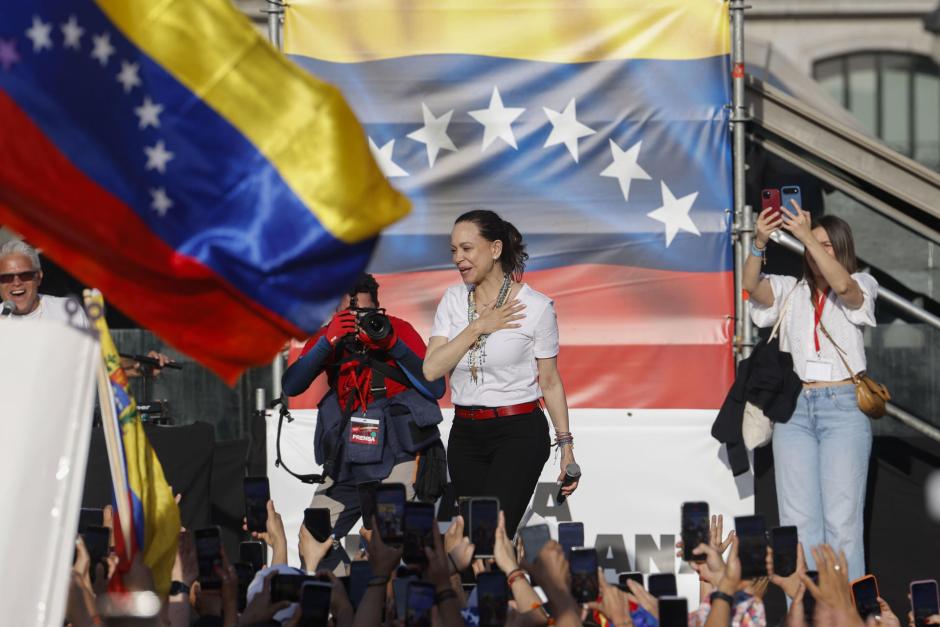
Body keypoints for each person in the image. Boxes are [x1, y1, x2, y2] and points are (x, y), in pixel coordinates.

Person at [423, 209, 579, 537]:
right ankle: (498, 582)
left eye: (467, 249)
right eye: (453, 250)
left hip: (518, 432)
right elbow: (432, 368)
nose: (458, 258)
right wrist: (479, 326)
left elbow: (549, 381)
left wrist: (565, 447)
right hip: (465, 434)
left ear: (495, 249)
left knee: (493, 533)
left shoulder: (536, 307)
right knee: (475, 541)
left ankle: (507, 581)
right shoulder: (452, 300)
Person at [744, 201, 878, 581]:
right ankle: (804, 616)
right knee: (798, 526)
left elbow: (845, 288)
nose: (815, 250)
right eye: (810, 244)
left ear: (841, 248)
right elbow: (751, 287)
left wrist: (804, 234)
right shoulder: (792, 289)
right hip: (796, 408)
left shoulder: (864, 282)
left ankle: (847, 616)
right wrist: (758, 242)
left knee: (842, 525)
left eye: (825, 245)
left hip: (843, 408)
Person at [281, 273, 445, 569]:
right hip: (351, 457)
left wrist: (392, 343)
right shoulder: (329, 337)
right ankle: (350, 603)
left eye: (366, 313)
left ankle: (391, 606)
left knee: (388, 534)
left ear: (379, 308)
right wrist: (327, 342)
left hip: (399, 453)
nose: (357, 321)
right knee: (312, 537)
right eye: (349, 315)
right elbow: (291, 385)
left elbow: (436, 387)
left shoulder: (398, 331)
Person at [1, 239, 174, 376]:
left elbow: (97, 361)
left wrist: (141, 367)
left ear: (38, 277)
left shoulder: (66, 311)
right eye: (6, 278)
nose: (16, 283)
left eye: (25, 275)